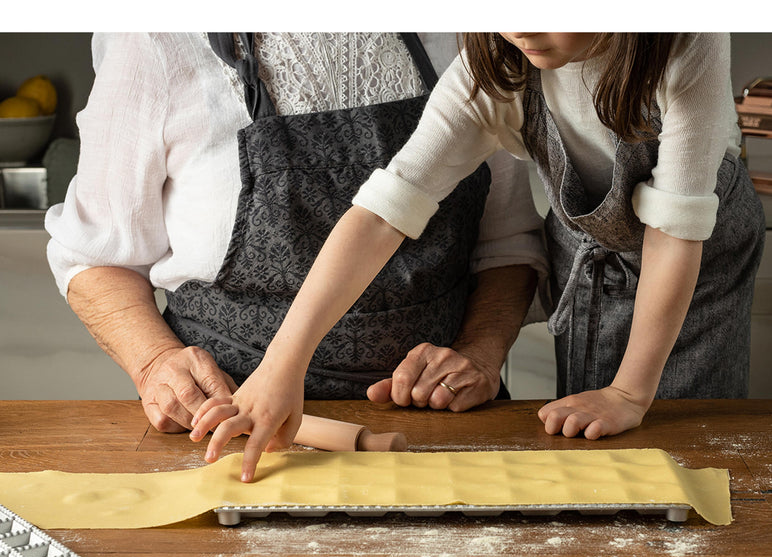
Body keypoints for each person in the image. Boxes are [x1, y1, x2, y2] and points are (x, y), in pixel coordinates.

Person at [193, 32, 766, 482]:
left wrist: (629, 392)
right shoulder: (497, 62)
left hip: (692, 260)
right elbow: (380, 213)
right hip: (590, 247)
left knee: (680, 459)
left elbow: (674, 231)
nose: (520, 26)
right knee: (594, 459)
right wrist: (280, 368)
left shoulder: (684, 37)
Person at [45, 33, 548, 433]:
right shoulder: (155, 41)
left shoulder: (466, 31)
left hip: (443, 425)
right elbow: (96, 257)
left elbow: (506, 244)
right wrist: (156, 363)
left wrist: (480, 354)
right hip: (232, 424)